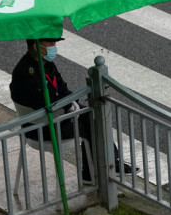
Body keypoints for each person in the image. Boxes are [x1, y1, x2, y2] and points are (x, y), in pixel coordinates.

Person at [9, 37, 136, 183]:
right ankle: (102, 168)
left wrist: (71, 102)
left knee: (93, 115)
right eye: (50, 44)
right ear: (37, 47)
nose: (54, 47)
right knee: (91, 123)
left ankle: (103, 166)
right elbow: (43, 102)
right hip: (40, 127)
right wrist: (67, 106)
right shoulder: (26, 72)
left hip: (55, 115)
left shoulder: (47, 64)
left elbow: (63, 88)